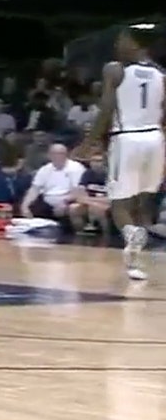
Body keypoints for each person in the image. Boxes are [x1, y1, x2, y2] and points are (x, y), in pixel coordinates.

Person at [75, 27, 166, 281]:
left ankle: (132, 234)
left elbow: (106, 109)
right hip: (155, 138)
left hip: (127, 138)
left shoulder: (114, 69)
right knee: (140, 203)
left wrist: (89, 143)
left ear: (137, 44)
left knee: (119, 205)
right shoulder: (161, 74)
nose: (117, 45)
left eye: (122, 40)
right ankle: (135, 261)